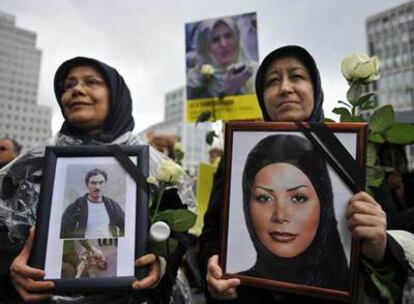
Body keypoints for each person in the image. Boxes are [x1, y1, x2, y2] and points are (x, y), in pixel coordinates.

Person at [199, 45, 409, 303]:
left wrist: (380, 249)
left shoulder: (349, 154)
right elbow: (211, 236)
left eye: (297, 76)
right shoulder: (236, 157)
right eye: (273, 81)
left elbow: (394, 247)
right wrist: (213, 266)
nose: (285, 88)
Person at [0, 56, 195, 303]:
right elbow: (5, 234)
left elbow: (177, 236)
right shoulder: (31, 166)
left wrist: (160, 261)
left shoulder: (157, 170)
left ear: (116, 95)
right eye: (68, 85)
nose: (76, 90)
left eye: (91, 82)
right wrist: (11, 271)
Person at [240, 134, 348, 290]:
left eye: (298, 198)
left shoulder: (354, 284)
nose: (280, 216)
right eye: (264, 198)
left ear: (324, 206)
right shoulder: (233, 287)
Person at [186, 17, 257, 99]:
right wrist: (227, 91)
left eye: (228, 36)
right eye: (215, 40)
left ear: (237, 38)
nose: (224, 44)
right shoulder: (194, 80)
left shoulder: (253, 70)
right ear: (205, 47)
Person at [60, 168, 125, 239]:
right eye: (93, 183)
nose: (97, 187)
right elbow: (63, 232)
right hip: (85, 248)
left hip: (108, 247)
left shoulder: (112, 205)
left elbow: (126, 227)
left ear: (105, 184)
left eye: (101, 182)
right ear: (87, 185)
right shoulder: (76, 206)